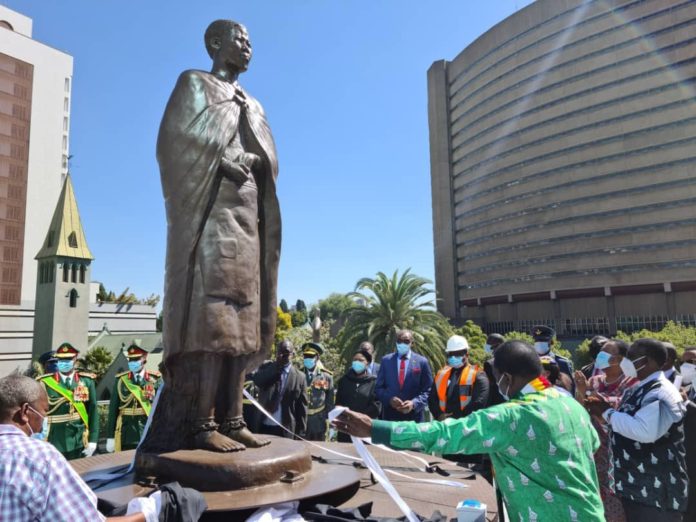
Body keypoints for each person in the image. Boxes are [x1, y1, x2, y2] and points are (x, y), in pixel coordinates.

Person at [147, 18, 281, 453]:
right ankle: (202, 424)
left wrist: (258, 162)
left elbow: (271, 159)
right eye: (239, 40)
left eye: (250, 42)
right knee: (213, 319)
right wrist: (222, 158)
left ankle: (233, 417)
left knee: (244, 321)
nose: (247, 47)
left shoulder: (253, 103)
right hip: (212, 217)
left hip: (248, 221)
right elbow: (174, 141)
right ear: (215, 43)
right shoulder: (195, 84)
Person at [335, 341, 605, 521]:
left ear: (506, 378)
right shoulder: (570, 404)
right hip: (590, 512)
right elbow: (591, 446)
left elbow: (444, 434)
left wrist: (375, 428)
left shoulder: (514, 416)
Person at [0, 374, 156, 521]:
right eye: (44, 412)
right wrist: (149, 512)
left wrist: (93, 438)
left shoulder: (84, 381)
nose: (44, 422)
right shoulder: (40, 457)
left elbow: (92, 409)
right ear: (25, 412)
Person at [587, 338, 689, 521]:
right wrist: (602, 414)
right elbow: (622, 426)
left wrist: (607, 413)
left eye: (631, 357)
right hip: (635, 488)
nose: (626, 361)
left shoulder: (660, 392)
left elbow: (645, 431)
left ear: (647, 361)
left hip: (656, 493)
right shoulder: (637, 389)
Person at [574, 339, 637, 522]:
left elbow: (621, 408)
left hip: (619, 448)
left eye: (606, 354)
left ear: (619, 359)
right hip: (595, 447)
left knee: (616, 496)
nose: (600, 357)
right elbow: (581, 411)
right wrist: (581, 391)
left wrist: (594, 399)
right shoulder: (593, 381)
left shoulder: (631, 382)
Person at [37, 343, 99, 460]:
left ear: (75, 359)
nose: (64, 362)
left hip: (79, 438)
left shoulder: (86, 381)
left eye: (68, 359)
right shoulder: (44, 383)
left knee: (80, 471)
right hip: (54, 438)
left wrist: (93, 441)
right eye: (61, 359)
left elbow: (93, 411)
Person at [106, 345, 162, 452]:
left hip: (148, 431)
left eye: (136, 359)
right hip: (126, 434)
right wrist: (110, 437)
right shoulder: (121, 381)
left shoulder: (155, 379)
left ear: (144, 358)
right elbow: (113, 411)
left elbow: (162, 409)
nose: (132, 362)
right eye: (130, 360)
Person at [375, 330, 433, 422]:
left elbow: (428, 390)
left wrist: (414, 403)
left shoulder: (422, 362)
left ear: (412, 343)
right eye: (399, 341)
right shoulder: (386, 361)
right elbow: (378, 388)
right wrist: (389, 399)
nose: (402, 344)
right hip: (390, 417)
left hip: (414, 418)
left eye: (406, 341)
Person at [252, 340, 307, 438]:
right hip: (264, 426)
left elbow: (302, 409)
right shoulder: (267, 367)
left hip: (285, 429)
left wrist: (300, 434)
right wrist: (276, 366)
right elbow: (258, 381)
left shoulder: (300, 377)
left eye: (286, 353)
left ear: (292, 354)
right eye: (280, 352)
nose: (283, 356)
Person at [428, 335, 488, 421]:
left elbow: (479, 402)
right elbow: (432, 399)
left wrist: (457, 418)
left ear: (466, 355)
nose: (453, 357)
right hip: (444, 424)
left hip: (467, 424)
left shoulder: (478, 375)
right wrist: (439, 415)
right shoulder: (441, 374)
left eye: (457, 354)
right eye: (450, 354)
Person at [335, 348, 380, 442]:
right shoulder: (344, 380)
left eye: (361, 360)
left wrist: (359, 418)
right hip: (346, 427)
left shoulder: (374, 382)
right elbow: (339, 402)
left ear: (367, 363)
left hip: (365, 427)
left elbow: (377, 406)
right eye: (355, 360)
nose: (357, 362)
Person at [302, 342, 334, 441]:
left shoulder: (326, 376)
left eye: (311, 356)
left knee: (319, 449)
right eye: (305, 356)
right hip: (303, 419)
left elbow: (329, 400)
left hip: (319, 420)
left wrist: (328, 419)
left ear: (317, 358)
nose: (308, 359)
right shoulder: (299, 375)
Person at [531, 325, 574, 391]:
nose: (539, 343)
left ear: (550, 343)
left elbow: (570, 388)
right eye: (537, 341)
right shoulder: (530, 363)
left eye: (543, 341)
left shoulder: (562, 363)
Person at [482, 333, 506, 406]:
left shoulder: (489, 364)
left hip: (495, 402)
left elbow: (487, 387)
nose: (487, 347)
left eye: (489, 345)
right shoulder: (512, 359)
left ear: (497, 346)